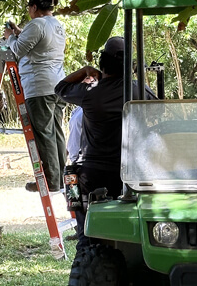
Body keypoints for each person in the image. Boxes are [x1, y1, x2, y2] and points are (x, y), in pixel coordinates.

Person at [55, 36, 154, 251]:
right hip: (127, 176)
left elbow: (60, 88)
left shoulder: (90, 93)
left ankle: (84, 246)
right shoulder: (139, 91)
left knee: (85, 233)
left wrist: (85, 71)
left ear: (103, 63)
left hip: (90, 176)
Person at [4, 0, 67, 193]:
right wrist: (19, 33)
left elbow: (17, 51)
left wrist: (9, 38)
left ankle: (50, 181)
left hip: (39, 85)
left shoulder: (36, 24)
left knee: (44, 134)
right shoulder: (57, 25)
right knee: (56, 132)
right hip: (57, 84)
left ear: (33, 7)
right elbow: (39, 42)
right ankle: (62, 177)